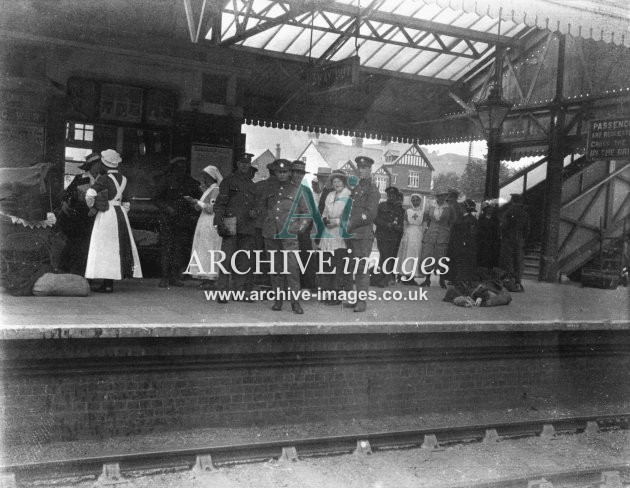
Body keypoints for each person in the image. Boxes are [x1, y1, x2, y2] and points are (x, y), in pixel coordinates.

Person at [84, 149, 142, 292]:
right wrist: (122, 212)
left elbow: (90, 193)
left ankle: (104, 282)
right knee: (116, 248)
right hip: (120, 214)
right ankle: (109, 284)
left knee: (104, 247)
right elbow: (127, 203)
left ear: (104, 164)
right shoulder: (125, 179)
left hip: (106, 214)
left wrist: (91, 205)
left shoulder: (103, 178)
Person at [261, 159, 309, 314]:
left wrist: (299, 227)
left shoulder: (297, 189)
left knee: (292, 268)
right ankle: (278, 300)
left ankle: (295, 302)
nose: (282, 175)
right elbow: (262, 207)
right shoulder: (269, 188)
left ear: (290, 172)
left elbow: (307, 213)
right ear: (275, 172)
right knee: (276, 269)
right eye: (279, 172)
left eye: (285, 172)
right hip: (271, 233)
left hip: (289, 234)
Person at [214, 152, 257, 302]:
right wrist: (219, 222)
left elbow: (256, 206)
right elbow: (220, 204)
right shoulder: (228, 181)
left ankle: (239, 292)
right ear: (237, 164)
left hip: (247, 227)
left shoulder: (253, 185)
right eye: (242, 162)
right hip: (230, 226)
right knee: (226, 260)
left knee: (243, 261)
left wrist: (255, 212)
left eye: (247, 163)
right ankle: (222, 292)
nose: (245, 165)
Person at [155, 157, 201, 288]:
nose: (182, 170)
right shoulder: (165, 180)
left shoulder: (190, 182)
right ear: (173, 168)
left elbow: (198, 198)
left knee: (179, 250)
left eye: (184, 167)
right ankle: (164, 277)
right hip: (168, 220)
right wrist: (167, 208)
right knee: (166, 249)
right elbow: (157, 199)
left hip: (183, 220)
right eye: (179, 167)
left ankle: (175, 277)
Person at [344, 156, 381, 312]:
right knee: (352, 267)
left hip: (363, 234)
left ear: (370, 169)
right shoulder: (356, 187)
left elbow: (370, 214)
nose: (361, 170)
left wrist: (351, 223)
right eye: (359, 168)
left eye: (364, 168)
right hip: (351, 234)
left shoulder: (373, 189)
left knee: (361, 269)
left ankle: (362, 302)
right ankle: (356, 299)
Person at [57, 151, 102, 276]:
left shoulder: (103, 179)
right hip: (80, 216)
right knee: (79, 243)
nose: (99, 166)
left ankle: (89, 274)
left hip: (97, 215)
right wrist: (65, 202)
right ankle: (74, 271)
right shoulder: (80, 178)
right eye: (97, 164)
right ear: (91, 165)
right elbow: (66, 194)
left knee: (92, 245)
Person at [186, 165, 223, 290]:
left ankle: (210, 279)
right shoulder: (209, 190)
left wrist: (198, 202)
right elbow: (201, 207)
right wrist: (195, 202)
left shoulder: (216, 189)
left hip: (210, 222)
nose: (204, 179)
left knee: (209, 248)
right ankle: (205, 277)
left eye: (206, 177)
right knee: (203, 248)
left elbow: (211, 208)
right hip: (204, 221)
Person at [319, 170, 352, 304]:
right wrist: (325, 220)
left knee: (338, 264)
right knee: (327, 263)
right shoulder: (330, 195)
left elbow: (349, 215)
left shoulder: (348, 195)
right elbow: (325, 212)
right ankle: (327, 293)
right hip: (328, 232)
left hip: (340, 232)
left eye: (339, 181)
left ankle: (337, 295)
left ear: (344, 183)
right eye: (334, 182)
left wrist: (337, 222)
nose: (337, 184)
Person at [419, 187, 456, 288]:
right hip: (431, 233)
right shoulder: (431, 205)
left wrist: (448, 230)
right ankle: (427, 279)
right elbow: (426, 218)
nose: (441, 198)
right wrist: (427, 229)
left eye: (444, 196)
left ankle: (441, 280)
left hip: (443, 234)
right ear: (437, 197)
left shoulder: (449, 207)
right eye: (440, 196)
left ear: (445, 197)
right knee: (428, 255)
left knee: (441, 256)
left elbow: (453, 221)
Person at [290, 160, 318, 292]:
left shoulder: (306, 190)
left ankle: (305, 285)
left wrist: (303, 227)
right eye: (296, 172)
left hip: (303, 230)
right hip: (287, 229)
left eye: (301, 173)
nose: (298, 175)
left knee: (305, 256)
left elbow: (311, 211)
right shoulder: (284, 188)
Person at [374, 187, 405, 287]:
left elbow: (401, 222)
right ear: (387, 196)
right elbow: (375, 219)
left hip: (393, 236)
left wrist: (398, 227)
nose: (391, 197)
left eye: (393, 196)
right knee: (383, 256)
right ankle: (382, 277)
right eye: (389, 195)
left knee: (391, 257)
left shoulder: (399, 208)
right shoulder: (381, 206)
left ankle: (387, 278)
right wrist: (387, 224)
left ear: (396, 196)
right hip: (382, 235)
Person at [499, 193, 530, 291]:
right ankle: (518, 282)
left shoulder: (509, 211)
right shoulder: (525, 213)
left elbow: (503, 226)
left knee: (508, 260)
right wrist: (523, 239)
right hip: (519, 239)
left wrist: (502, 235)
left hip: (508, 239)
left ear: (513, 201)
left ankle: (509, 281)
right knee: (518, 260)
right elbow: (528, 229)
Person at [444, 198, 479, 283]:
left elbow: (468, 233)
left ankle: (460, 278)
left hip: (462, 243)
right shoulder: (469, 218)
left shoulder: (466, 219)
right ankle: (459, 278)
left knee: (460, 261)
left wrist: (463, 241)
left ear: (464, 207)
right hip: (463, 243)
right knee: (460, 261)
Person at [395, 193, 425, 284]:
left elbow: (424, 225)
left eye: (417, 200)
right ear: (411, 201)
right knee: (406, 253)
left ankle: (413, 275)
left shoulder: (423, 212)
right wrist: (405, 233)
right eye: (413, 200)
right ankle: (404, 274)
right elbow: (405, 223)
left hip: (418, 234)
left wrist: (422, 234)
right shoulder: (408, 211)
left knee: (415, 254)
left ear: (420, 201)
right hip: (408, 233)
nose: (415, 202)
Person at [477, 200, 501, 270]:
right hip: (483, 241)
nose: (490, 210)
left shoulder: (495, 219)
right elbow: (479, 228)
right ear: (485, 209)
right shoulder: (481, 218)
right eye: (488, 208)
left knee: (491, 257)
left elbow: (497, 229)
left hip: (492, 241)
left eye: (491, 208)